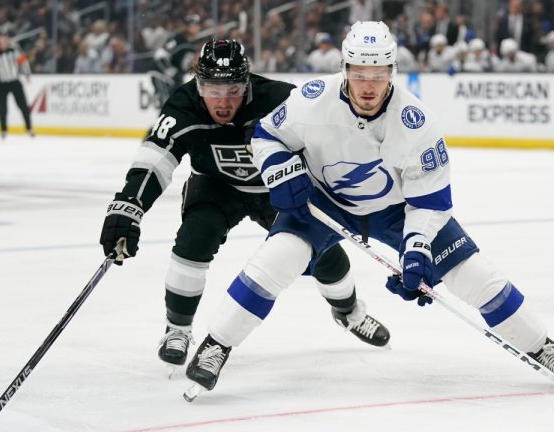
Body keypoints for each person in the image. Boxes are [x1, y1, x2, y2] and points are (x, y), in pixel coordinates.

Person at [184, 21, 554, 397]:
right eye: (359, 74)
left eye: (377, 75)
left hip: (396, 210)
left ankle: (542, 346)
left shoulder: (417, 122)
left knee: (472, 274)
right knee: (277, 260)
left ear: (392, 70)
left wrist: (416, 249)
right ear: (345, 68)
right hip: (325, 202)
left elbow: (430, 201)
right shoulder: (311, 100)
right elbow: (268, 134)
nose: (368, 86)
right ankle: (216, 345)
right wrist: (278, 169)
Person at [99, 39, 391, 371]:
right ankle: (177, 329)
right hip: (215, 186)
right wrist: (127, 207)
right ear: (198, 84)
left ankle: (349, 313)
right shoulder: (182, 105)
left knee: (327, 254)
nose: (222, 101)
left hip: (275, 189)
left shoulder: (280, 99)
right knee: (194, 241)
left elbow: (326, 143)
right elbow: (155, 159)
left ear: (248, 81)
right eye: (212, 89)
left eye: (233, 88)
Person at [0, 32, 34, 139]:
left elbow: (24, 62)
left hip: (15, 81)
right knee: (2, 108)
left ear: (8, 40)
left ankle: (29, 128)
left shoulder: (15, 49)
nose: (3, 41)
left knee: (23, 106)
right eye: (1, 39)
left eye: (5, 39)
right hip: (2, 83)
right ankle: (3, 130)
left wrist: (27, 74)